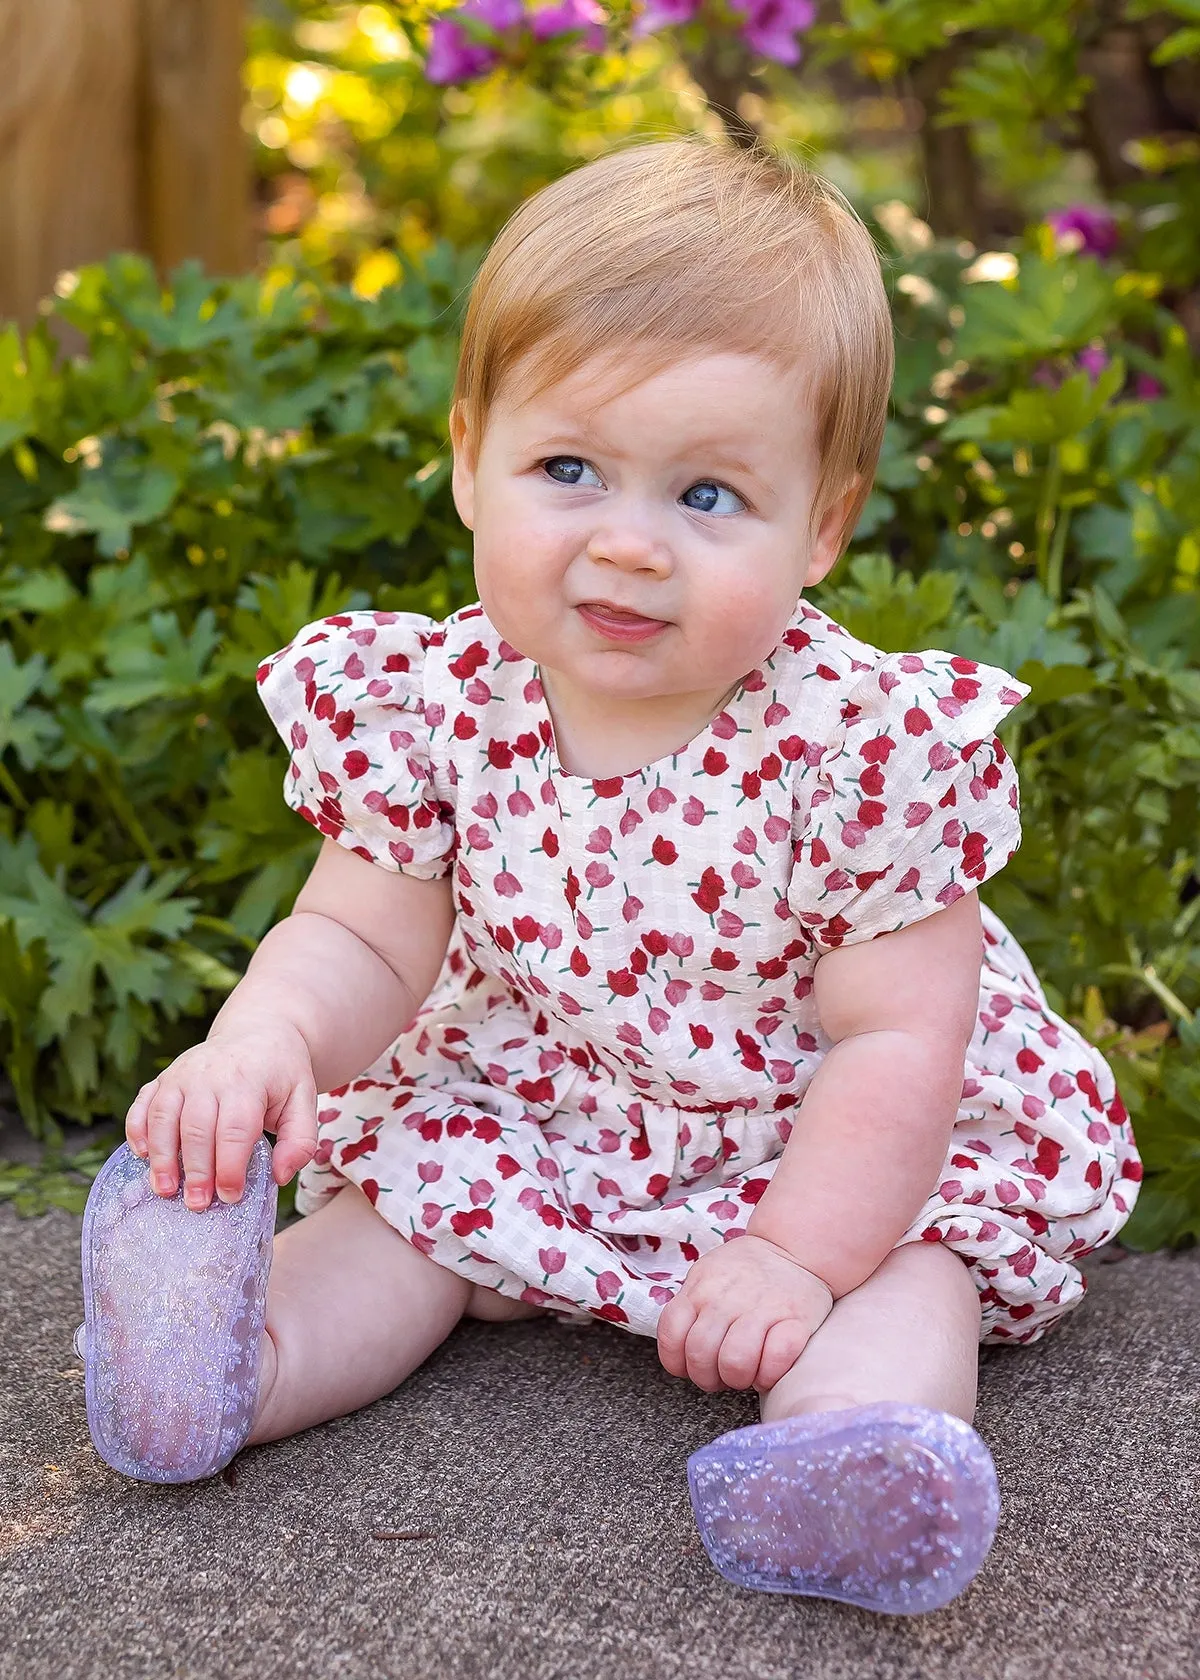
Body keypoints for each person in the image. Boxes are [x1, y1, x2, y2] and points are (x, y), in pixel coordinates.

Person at [76, 137, 1141, 1616]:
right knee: (404, 1212)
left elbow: (898, 1042)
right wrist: (266, 1039)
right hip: (545, 1092)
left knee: (914, 1265)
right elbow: (365, 940)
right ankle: (221, 1370)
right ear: (468, 459)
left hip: (826, 1136)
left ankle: (853, 1453)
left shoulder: (861, 752)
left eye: (708, 496)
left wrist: (790, 1253)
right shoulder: (438, 700)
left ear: (821, 526)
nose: (628, 547)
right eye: (569, 470)